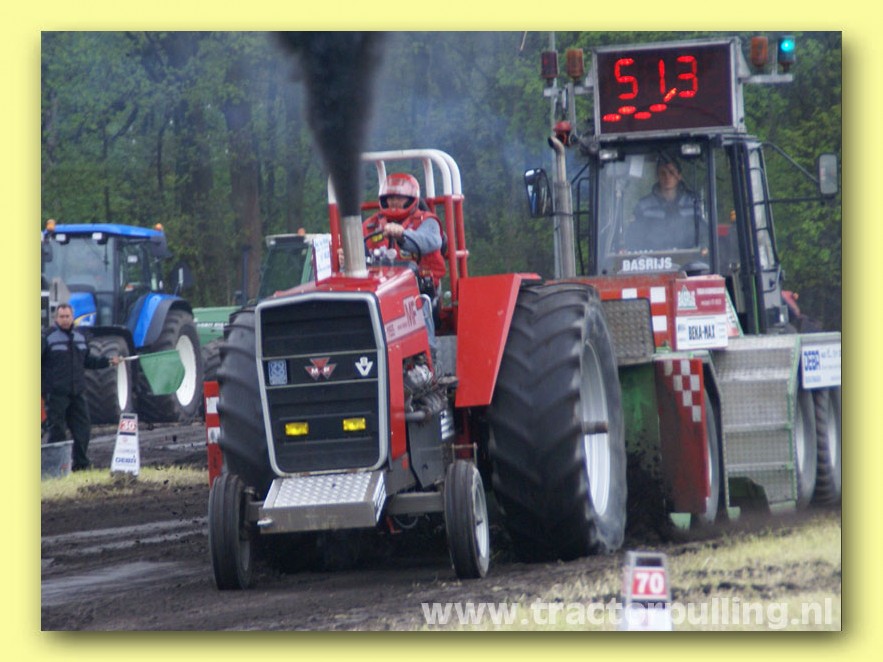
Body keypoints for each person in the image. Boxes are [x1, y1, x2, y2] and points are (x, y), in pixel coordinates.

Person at [41, 303, 121, 471]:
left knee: (83, 429)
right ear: (56, 318)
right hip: (55, 394)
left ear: (72, 317)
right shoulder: (47, 338)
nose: (65, 320)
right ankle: (56, 468)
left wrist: (108, 361)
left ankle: (81, 464)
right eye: (61, 317)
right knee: (57, 431)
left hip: (77, 393)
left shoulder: (80, 337)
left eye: (67, 316)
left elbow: (88, 361)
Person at [362, 172, 446, 296]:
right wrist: (346, 256)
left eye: (400, 198)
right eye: (391, 198)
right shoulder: (371, 224)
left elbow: (431, 241)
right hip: (380, 290)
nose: (394, 202)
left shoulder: (428, 221)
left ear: (411, 199)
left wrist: (402, 235)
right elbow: (358, 246)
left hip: (421, 290)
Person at [625, 156, 704, 252]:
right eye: (663, 173)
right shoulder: (644, 206)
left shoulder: (693, 203)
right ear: (657, 177)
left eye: (671, 172)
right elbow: (633, 239)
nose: (667, 177)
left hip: (690, 259)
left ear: (679, 176)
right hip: (652, 259)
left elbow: (704, 236)